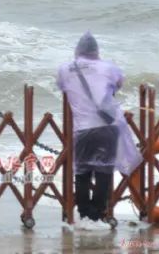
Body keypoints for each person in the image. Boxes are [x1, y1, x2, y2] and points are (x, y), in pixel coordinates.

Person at [55, 32, 140, 231]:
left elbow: (62, 87)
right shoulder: (109, 67)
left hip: (82, 129)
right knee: (104, 171)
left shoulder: (65, 69)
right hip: (107, 127)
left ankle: (84, 214)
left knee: (82, 172)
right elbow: (119, 83)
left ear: (77, 50)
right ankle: (97, 214)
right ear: (96, 51)